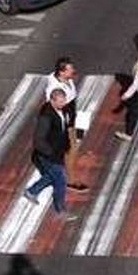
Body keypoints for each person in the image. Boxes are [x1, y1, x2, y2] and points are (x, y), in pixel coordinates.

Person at [21, 88, 78, 221]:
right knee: (61, 181)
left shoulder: (61, 110)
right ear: (52, 100)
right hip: (48, 155)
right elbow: (38, 140)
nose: (63, 104)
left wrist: (67, 145)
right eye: (60, 102)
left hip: (57, 152)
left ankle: (32, 192)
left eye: (64, 101)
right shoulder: (46, 116)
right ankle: (60, 210)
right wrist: (50, 153)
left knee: (51, 176)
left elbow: (62, 129)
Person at [45, 57, 88, 193]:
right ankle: (70, 181)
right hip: (64, 123)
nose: (74, 71)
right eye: (70, 70)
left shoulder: (65, 80)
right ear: (62, 72)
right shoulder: (55, 89)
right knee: (71, 150)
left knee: (69, 148)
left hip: (71, 119)